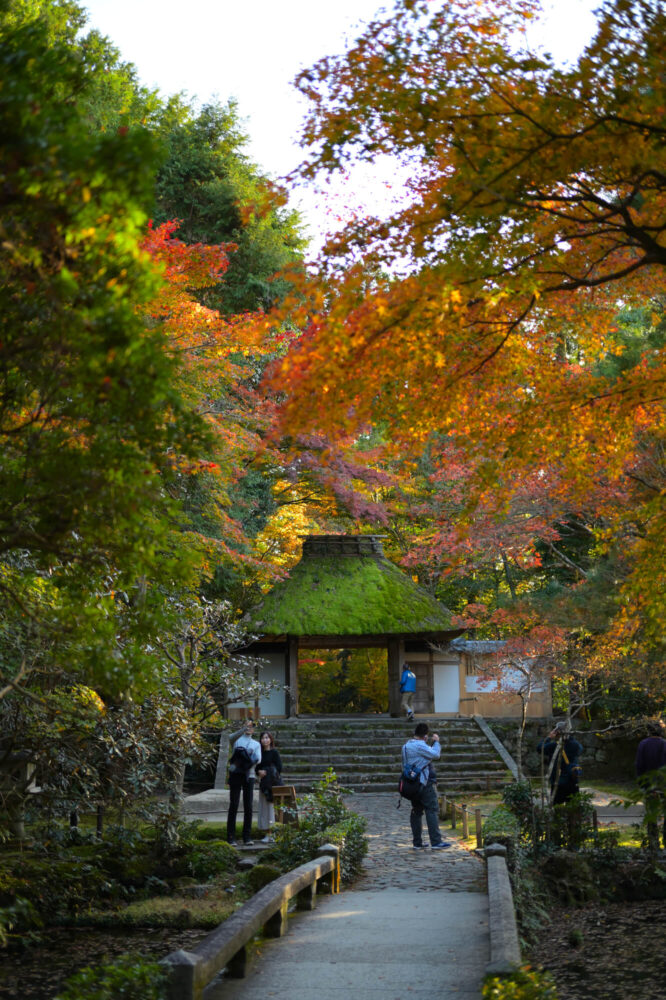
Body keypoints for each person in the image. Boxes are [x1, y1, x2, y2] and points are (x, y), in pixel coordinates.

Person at [402, 722, 450, 850]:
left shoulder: (406, 746)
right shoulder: (420, 745)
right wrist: (437, 742)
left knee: (416, 811)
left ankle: (417, 842)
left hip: (412, 783)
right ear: (425, 736)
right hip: (424, 782)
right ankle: (436, 841)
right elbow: (436, 754)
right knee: (432, 809)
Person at [226, 719, 261, 846]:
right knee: (233, 804)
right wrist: (243, 729)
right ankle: (231, 837)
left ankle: (247, 836)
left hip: (249, 775)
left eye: (252, 725)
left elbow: (258, 759)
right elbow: (231, 736)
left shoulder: (256, 743)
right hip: (235, 775)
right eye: (248, 725)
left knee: (249, 806)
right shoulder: (236, 740)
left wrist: (243, 760)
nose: (250, 727)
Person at [635, 719, 666, 853]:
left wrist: (641, 783)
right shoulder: (664, 744)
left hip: (648, 784)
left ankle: (653, 844)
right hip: (663, 784)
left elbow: (639, 765)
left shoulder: (643, 744)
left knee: (651, 815)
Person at [537, 721, 583, 805]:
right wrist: (570, 736)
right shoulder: (576, 745)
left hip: (558, 782)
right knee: (574, 807)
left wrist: (549, 738)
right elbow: (580, 749)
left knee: (556, 807)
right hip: (573, 780)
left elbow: (540, 748)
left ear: (557, 732)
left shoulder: (554, 746)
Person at [256, 729, 283, 843]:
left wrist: (269, 772)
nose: (265, 740)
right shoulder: (259, 753)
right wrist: (259, 772)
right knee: (264, 808)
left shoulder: (274, 753)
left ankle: (274, 832)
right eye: (263, 738)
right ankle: (267, 833)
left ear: (271, 739)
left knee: (272, 809)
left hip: (272, 784)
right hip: (263, 784)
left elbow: (279, 767)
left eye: (267, 737)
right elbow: (256, 766)